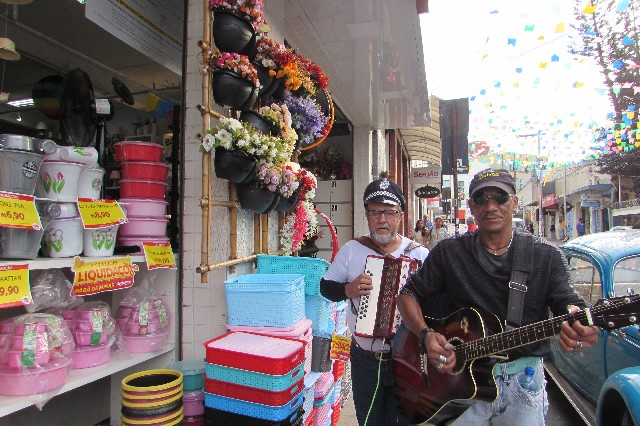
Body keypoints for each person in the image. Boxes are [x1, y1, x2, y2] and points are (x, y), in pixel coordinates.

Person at [397, 168, 598, 425]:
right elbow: (408, 294)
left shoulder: (546, 256)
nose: (491, 206)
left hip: (522, 383)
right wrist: (425, 336)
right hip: (460, 384)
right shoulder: (450, 253)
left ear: (514, 201)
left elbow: (567, 301)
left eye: (500, 197)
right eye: (481, 199)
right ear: (471, 206)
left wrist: (576, 319)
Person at [320, 178, 429, 425]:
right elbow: (326, 287)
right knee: (369, 420)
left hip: (409, 359)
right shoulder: (351, 250)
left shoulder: (420, 255)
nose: (382, 219)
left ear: (400, 216)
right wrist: (348, 289)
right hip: (365, 358)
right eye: (375, 212)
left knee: (405, 419)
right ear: (367, 216)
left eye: (389, 212)